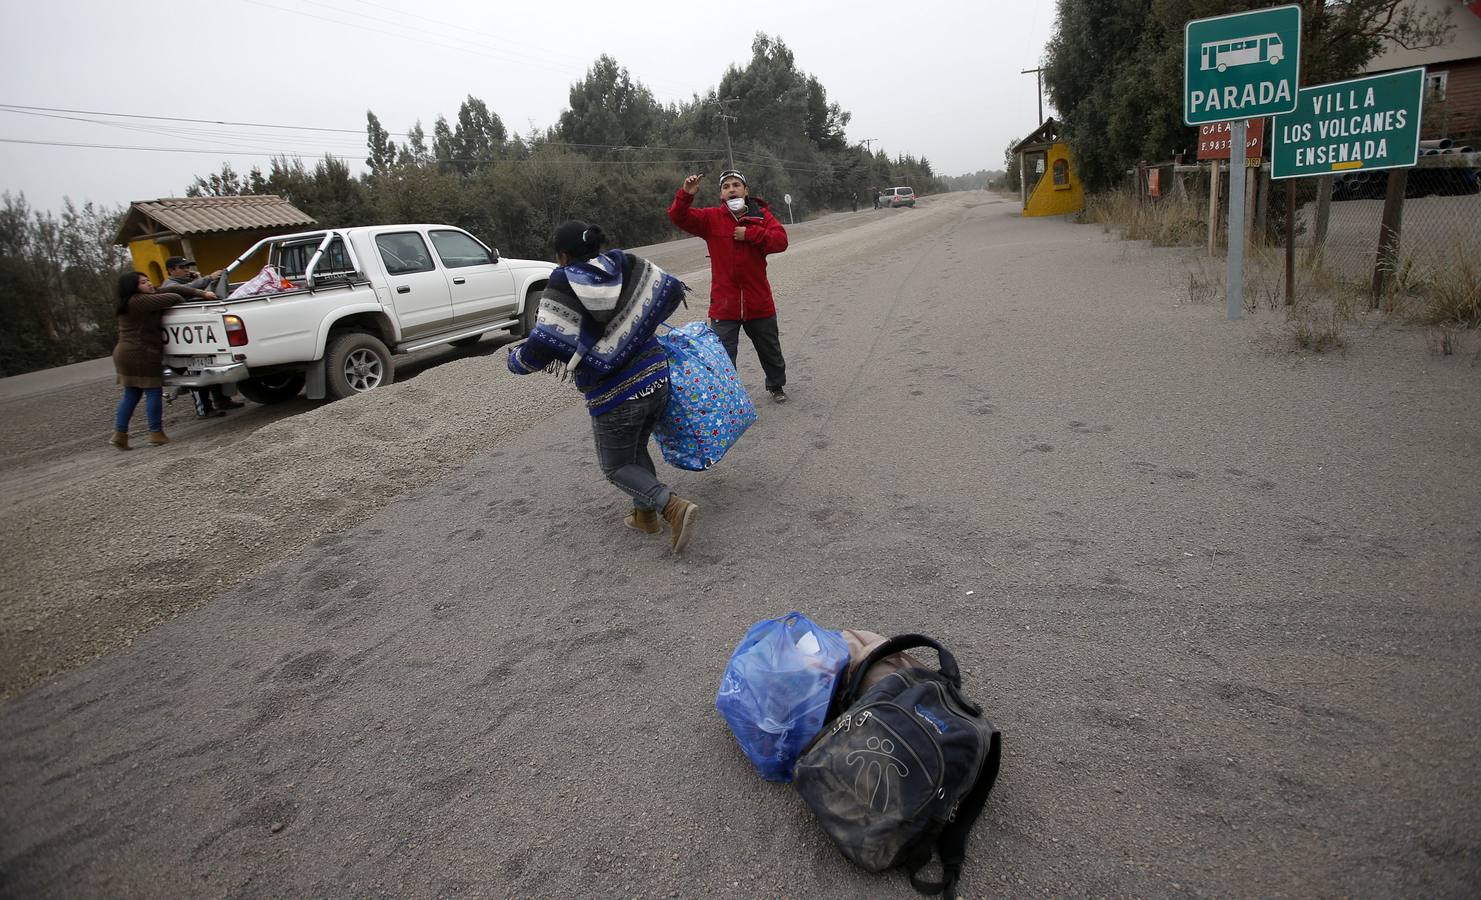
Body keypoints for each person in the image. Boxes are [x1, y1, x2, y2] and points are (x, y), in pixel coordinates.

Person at [506, 221, 699, 553]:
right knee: (635, 451)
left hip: (618, 394)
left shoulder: (564, 280)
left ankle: (670, 506)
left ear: (562, 256)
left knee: (616, 466)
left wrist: (516, 360)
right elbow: (667, 287)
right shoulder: (624, 263)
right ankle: (645, 517)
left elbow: (545, 341)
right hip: (656, 376)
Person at [667, 169, 790, 403]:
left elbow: (781, 241)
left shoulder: (762, 216)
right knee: (722, 356)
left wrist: (751, 233)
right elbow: (678, 217)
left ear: (746, 191)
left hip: (758, 301)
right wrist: (686, 194)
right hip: (725, 304)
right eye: (726, 186)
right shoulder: (711, 218)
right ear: (721, 195)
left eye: (736, 184)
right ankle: (727, 396)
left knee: (770, 350)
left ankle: (776, 386)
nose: (731, 189)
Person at [110, 271, 215, 450]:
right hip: (141, 353)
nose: (149, 284)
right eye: (143, 282)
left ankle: (120, 434)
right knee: (153, 392)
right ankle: (156, 433)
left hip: (124, 353)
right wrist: (195, 300)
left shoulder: (130, 302)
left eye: (148, 280)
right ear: (133, 288)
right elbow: (173, 296)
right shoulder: (140, 301)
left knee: (131, 394)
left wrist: (201, 293)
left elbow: (174, 287)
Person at [162, 255, 243, 418]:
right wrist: (207, 278)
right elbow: (188, 291)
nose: (187, 270)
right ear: (171, 270)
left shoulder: (187, 283)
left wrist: (200, 280)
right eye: (182, 267)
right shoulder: (170, 285)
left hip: (203, 336)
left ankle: (221, 400)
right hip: (187, 339)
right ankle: (203, 409)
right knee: (196, 373)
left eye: (187, 267)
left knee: (213, 369)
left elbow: (202, 293)